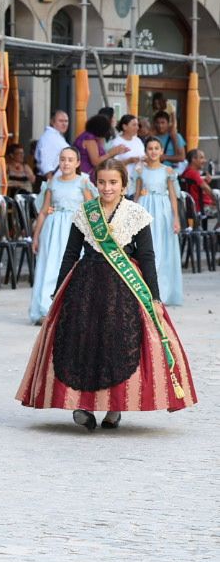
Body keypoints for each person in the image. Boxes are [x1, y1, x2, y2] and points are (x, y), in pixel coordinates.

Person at [18, 160, 196, 429]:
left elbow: (147, 257)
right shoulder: (85, 212)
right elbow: (70, 253)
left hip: (123, 287)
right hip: (85, 285)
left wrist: (155, 297)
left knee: (118, 342)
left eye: (113, 182)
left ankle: (114, 408)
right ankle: (83, 405)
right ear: (95, 183)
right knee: (83, 343)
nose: (107, 187)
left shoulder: (136, 214)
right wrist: (58, 292)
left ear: (124, 185)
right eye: (101, 182)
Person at [28, 146, 95, 324]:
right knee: (49, 266)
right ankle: (45, 309)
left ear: (78, 163)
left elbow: (91, 210)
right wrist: (36, 236)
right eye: (63, 159)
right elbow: (43, 211)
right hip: (53, 227)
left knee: (73, 266)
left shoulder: (83, 182)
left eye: (70, 160)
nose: (66, 163)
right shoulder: (52, 183)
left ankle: (72, 309)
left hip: (74, 227)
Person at [131, 136, 184, 306]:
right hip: (145, 208)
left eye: (156, 148)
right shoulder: (140, 171)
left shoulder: (167, 171)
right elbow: (137, 194)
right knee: (148, 248)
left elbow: (173, 197)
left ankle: (164, 291)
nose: (153, 151)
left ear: (161, 151)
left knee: (163, 248)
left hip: (162, 211)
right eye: (150, 148)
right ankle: (147, 289)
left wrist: (176, 218)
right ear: (145, 151)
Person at [70, 113, 116, 179]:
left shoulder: (88, 136)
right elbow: (95, 161)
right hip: (85, 174)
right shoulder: (89, 139)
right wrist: (111, 153)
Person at [35, 109, 70, 177]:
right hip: (54, 181)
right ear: (52, 122)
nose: (64, 124)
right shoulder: (49, 138)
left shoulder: (56, 137)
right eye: (60, 121)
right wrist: (50, 183)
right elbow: (46, 164)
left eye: (66, 121)